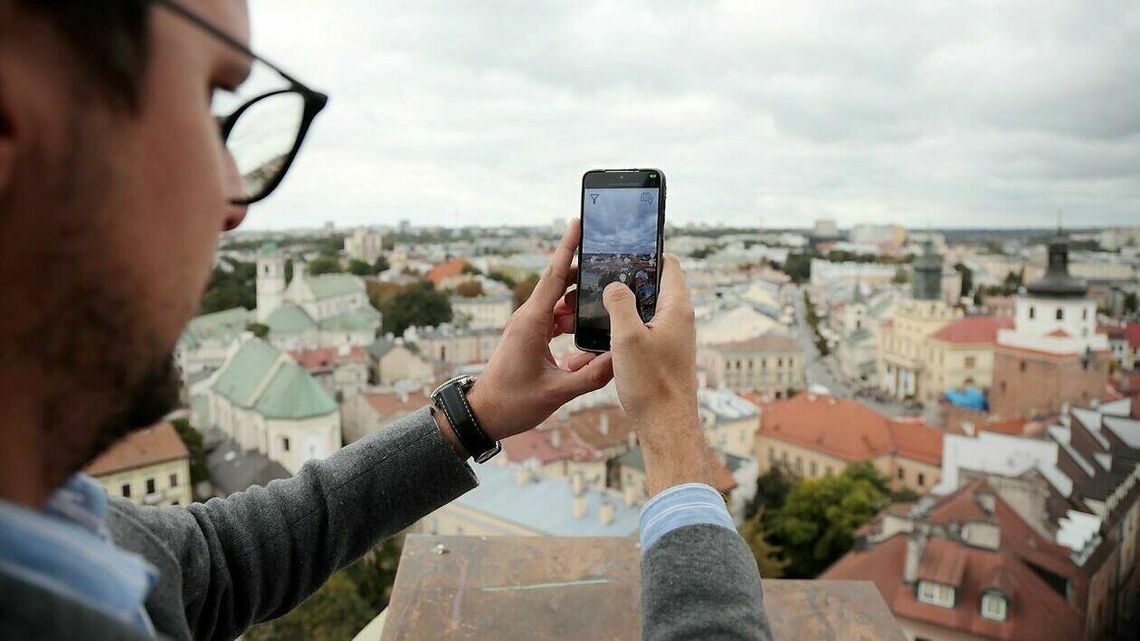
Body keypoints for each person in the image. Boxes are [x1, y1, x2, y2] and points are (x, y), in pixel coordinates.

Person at [0, 1, 771, 640]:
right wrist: (672, 433)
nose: (235, 200)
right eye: (208, 101)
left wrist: (474, 416)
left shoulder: (48, 525)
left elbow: (214, 564)